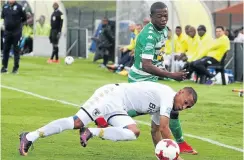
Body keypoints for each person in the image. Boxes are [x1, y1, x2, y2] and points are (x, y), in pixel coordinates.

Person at [19, 81, 197, 160]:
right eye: (185, 102)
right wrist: (175, 157)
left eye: (188, 107)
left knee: (134, 132)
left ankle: (92, 132)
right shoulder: (168, 95)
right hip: (110, 95)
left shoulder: (164, 105)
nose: (184, 107)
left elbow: (156, 131)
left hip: (119, 108)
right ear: (180, 92)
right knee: (77, 122)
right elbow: (166, 129)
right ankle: (29, 137)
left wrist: (162, 156)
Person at [127, 2, 197, 155]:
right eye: (159, 16)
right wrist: (170, 75)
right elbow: (146, 65)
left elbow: (157, 56)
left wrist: (166, 73)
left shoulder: (164, 30)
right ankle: (105, 117)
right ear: (151, 17)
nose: (164, 19)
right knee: (165, 108)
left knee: (156, 125)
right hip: (140, 79)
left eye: (166, 16)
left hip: (151, 78)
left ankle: (164, 153)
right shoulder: (149, 36)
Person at [1, 0, 27, 74]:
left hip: (16, 32)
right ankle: (4, 67)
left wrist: (19, 26)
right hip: (7, 32)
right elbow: (3, 17)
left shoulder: (19, 7)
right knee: (6, 49)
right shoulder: (5, 7)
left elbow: (24, 18)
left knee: (16, 50)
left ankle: (15, 68)